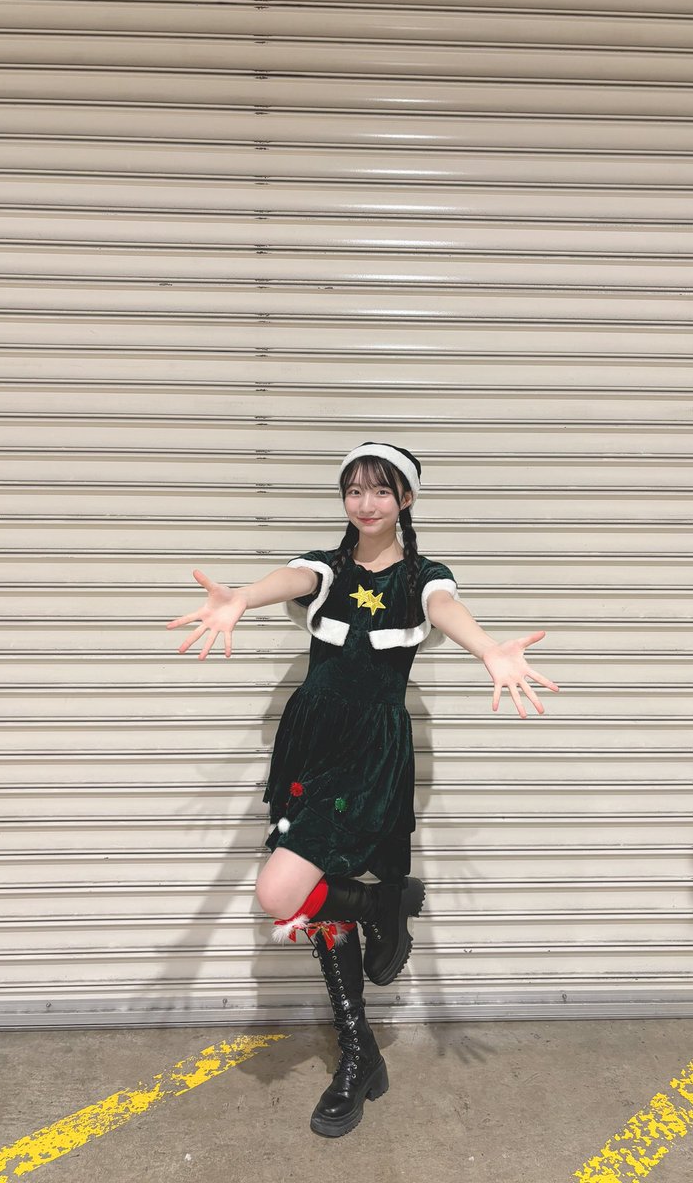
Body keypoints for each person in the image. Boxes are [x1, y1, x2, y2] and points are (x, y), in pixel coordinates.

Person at [166, 441, 559, 1137]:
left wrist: (488, 649)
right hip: (310, 740)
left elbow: (445, 608)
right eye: (354, 490)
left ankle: (381, 906)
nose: (366, 503)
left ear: (406, 498)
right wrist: (241, 598)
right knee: (318, 894)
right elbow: (289, 578)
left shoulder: (423, 577)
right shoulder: (328, 566)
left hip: (368, 751)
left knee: (280, 892)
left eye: (381, 490)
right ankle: (360, 1049)